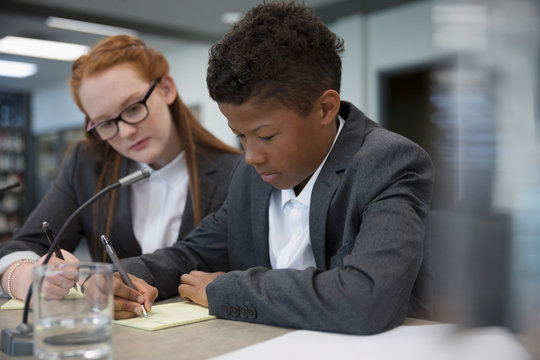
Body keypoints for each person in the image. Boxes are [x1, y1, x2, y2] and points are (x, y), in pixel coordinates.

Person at [114, 2, 434, 335]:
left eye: (265, 136)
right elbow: (193, 254)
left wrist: (229, 291)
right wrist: (127, 277)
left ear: (325, 108)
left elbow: (365, 300)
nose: (251, 155)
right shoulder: (250, 174)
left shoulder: (389, 163)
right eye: (239, 135)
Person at [0, 35, 240, 302]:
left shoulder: (237, 171)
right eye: (105, 123)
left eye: (134, 108)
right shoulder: (88, 164)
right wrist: (22, 276)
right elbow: (27, 244)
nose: (125, 132)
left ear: (167, 89)